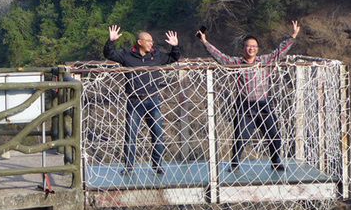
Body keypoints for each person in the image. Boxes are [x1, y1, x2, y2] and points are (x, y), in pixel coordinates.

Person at [197, 21, 301, 171]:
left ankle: (276, 161)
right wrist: (205, 42)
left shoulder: (264, 61)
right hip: (245, 105)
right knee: (241, 138)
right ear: (243, 48)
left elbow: (280, 51)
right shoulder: (236, 63)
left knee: (274, 134)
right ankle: (234, 164)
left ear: (257, 49)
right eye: (248, 46)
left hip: (263, 104)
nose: (251, 48)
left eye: (254, 46)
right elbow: (220, 57)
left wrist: (293, 36)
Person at [103, 25, 180, 175]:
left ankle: (157, 165)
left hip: (153, 99)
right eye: (148, 41)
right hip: (134, 100)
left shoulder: (156, 55)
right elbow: (109, 54)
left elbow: (173, 58)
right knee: (131, 135)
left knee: (158, 134)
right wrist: (110, 41)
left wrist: (175, 46)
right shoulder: (127, 55)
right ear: (139, 42)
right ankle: (129, 166)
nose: (151, 44)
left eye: (152, 41)